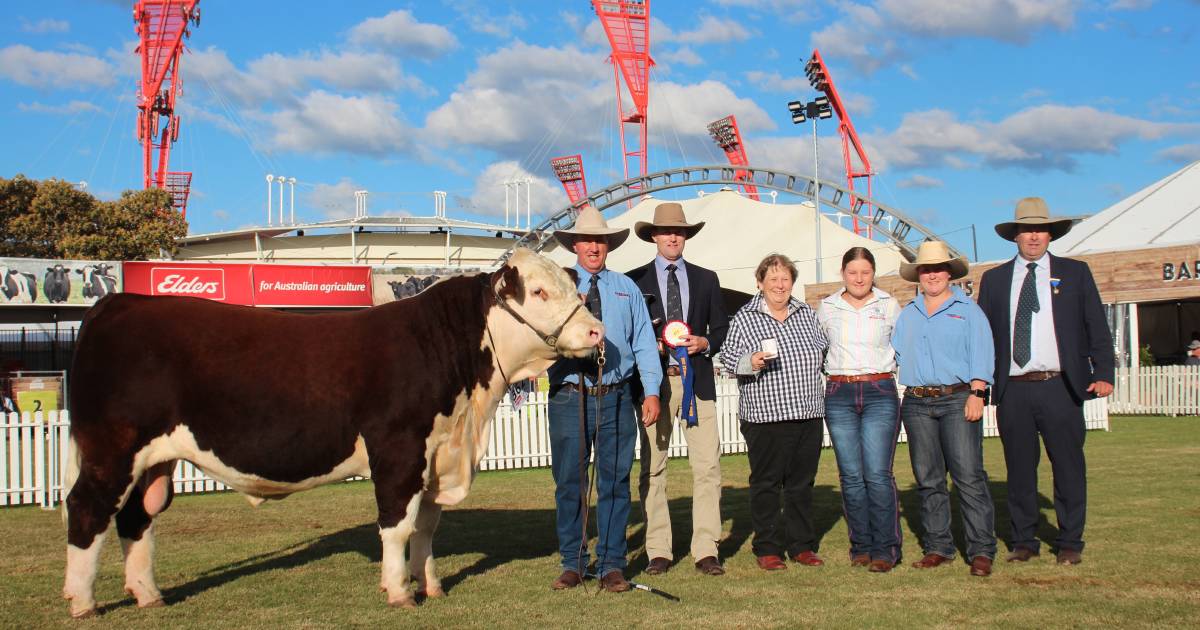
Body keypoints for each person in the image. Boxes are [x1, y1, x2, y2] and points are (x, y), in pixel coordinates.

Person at [977, 197, 1115, 566]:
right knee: (1020, 469)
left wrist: (1103, 372)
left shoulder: (1076, 273)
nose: (1033, 236)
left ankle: (1070, 541)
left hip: (1061, 386)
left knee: (1068, 466)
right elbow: (984, 336)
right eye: (1026, 230)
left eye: (1040, 229)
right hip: (1014, 388)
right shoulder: (994, 280)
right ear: (1016, 236)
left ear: (1050, 234)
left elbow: (1095, 327)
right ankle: (1023, 540)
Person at [546, 206, 662, 593]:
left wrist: (651, 391)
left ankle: (612, 564)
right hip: (569, 394)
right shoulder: (555, 288)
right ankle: (573, 562)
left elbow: (644, 343)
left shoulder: (626, 288)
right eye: (587, 240)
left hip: (615, 396)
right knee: (569, 482)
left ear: (607, 246)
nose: (594, 247)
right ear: (575, 245)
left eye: (600, 240)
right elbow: (540, 341)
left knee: (615, 482)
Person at [626, 202, 729, 577]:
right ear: (653, 236)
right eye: (667, 231)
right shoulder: (633, 281)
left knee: (708, 468)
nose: (673, 236)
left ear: (686, 236)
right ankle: (658, 549)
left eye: (680, 231)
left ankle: (706, 548)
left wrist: (705, 343)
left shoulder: (706, 279)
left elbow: (720, 328)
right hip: (653, 386)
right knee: (653, 469)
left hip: (696, 383)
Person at [892, 240, 997, 577]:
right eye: (926, 269)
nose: (932, 274)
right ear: (918, 275)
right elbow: (895, 355)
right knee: (928, 479)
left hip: (957, 398)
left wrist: (977, 393)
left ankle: (981, 549)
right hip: (917, 401)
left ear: (949, 273)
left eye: (938, 268)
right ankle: (939, 546)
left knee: (968, 476)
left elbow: (982, 353)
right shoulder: (907, 315)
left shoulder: (969, 311)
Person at [720, 254, 828, 571]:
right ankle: (767, 547)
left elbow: (823, 350)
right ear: (760, 283)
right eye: (773, 279)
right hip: (765, 416)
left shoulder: (806, 314)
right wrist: (749, 362)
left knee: (801, 484)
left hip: (807, 412)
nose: (780, 285)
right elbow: (727, 359)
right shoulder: (744, 317)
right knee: (766, 484)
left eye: (785, 279)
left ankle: (801, 545)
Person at [816, 247, 903, 573]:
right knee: (851, 477)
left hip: (879, 390)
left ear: (873, 273)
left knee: (878, 475)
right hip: (839, 392)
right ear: (843, 273)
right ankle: (861, 546)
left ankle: (886, 548)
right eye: (853, 272)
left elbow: (903, 346)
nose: (859, 278)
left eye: (865, 272)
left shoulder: (888, 305)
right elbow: (818, 348)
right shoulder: (828, 308)